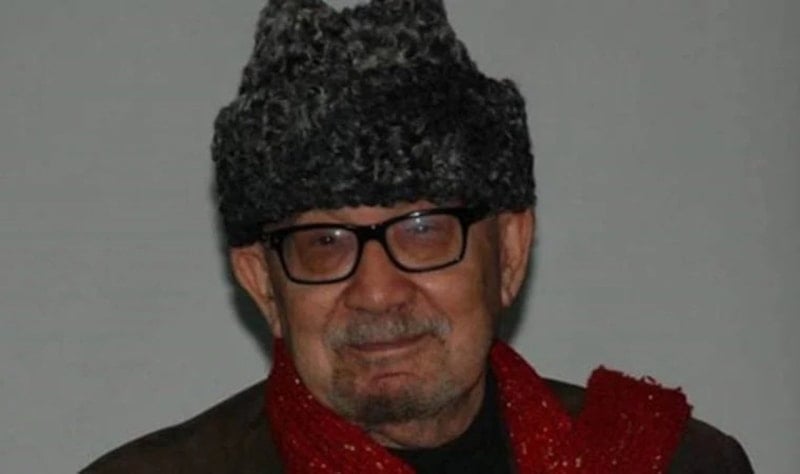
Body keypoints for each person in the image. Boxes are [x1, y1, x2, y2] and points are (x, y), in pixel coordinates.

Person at [83, 0, 753, 472]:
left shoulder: (670, 463)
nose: (376, 292)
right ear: (263, 283)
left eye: (424, 230)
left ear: (510, 253)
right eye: (325, 242)